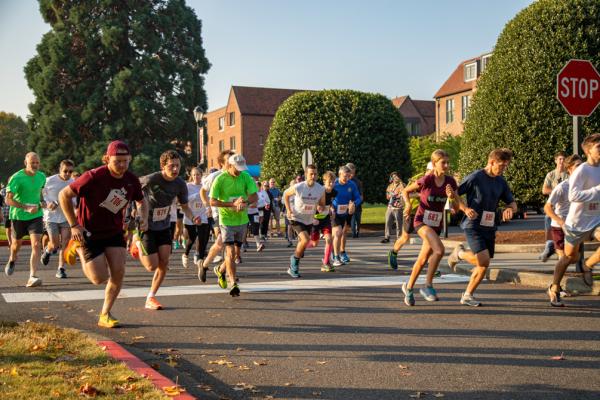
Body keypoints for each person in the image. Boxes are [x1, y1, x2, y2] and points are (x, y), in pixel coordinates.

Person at [59, 141, 147, 328]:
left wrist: (144, 217)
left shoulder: (131, 180)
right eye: (117, 161)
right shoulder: (93, 176)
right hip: (88, 231)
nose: (122, 165)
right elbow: (64, 195)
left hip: (114, 232)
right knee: (98, 278)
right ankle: (77, 247)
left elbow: (142, 200)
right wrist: (74, 226)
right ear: (107, 159)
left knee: (119, 272)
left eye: (126, 161)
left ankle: (105, 314)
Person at [447, 148, 517, 307]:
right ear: (491, 162)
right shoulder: (475, 177)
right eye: (501, 165)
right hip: (473, 224)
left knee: (483, 265)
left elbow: (512, 203)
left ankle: (467, 295)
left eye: (506, 166)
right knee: (484, 261)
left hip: (489, 226)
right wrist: (464, 209)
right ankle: (460, 253)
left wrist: (509, 209)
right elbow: (454, 195)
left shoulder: (501, 181)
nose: (503, 169)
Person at [138, 150, 200, 310]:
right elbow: (132, 190)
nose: (175, 169)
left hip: (164, 224)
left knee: (164, 262)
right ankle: (137, 244)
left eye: (177, 166)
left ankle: (151, 296)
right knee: (151, 266)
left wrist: (193, 218)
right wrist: (137, 213)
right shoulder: (151, 179)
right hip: (147, 225)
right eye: (171, 166)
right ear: (163, 166)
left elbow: (185, 207)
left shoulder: (180, 184)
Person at [547, 134, 600, 307]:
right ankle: (554, 287)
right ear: (588, 151)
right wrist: (596, 191)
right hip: (576, 223)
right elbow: (573, 195)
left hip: (595, 220)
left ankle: (588, 264)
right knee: (569, 257)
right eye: (598, 147)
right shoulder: (582, 170)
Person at [401, 150, 458, 306]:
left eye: (447, 162)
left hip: (436, 224)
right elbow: (405, 191)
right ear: (434, 164)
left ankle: (409, 287)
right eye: (443, 162)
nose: (446, 165)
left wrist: (452, 200)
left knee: (423, 259)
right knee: (439, 250)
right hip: (421, 221)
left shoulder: (451, 182)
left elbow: (457, 206)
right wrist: (407, 205)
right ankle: (428, 285)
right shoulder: (426, 180)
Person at [209, 154, 258, 296]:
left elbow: (254, 196)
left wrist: (245, 203)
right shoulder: (220, 179)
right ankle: (233, 283)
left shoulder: (245, 177)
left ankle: (220, 270)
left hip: (242, 220)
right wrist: (231, 204)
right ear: (229, 165)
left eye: (241, 168)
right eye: (237, 168)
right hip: (226, 220)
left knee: (236, 254)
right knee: (229, 252)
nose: (240, 171)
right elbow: (212, 201)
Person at [4, 152, 46, 287]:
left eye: (37, 163)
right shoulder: (17, 178)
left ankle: (32, 276)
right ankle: (12, 259)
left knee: (36, 244)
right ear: (25, 163)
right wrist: (25, 207)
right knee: (16, 246)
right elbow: (8, 200)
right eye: (32, 163)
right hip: (19, 216)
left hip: (36, 215)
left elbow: (40, 194)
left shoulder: (41, 176)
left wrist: (44, 202)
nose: (35, 165)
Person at [388, 162, 433, 270]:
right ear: (429, 170)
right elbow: (404, 192)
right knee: (405, 237)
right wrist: (419, 196)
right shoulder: (419, 179)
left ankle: (431, 265)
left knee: (430, 239)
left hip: (426, 213)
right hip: (412, 211)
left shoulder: (439, 180)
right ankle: (393, 252)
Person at [283, 164, 326, 278]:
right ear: (306, 174)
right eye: (311, 174)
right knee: (305, 239)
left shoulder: (320, 189)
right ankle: (294, 265)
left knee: (302, 244)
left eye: (315, 174)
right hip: (296, 218)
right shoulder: (299, 187)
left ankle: (294, 260)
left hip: (309, 220)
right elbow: (285, 195)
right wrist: (288, 210)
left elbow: (322, 204)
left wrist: (320, 208)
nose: (313, 176)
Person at [544, 155, 582, 268]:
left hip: (575, 226)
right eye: (577, 166)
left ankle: (554, 249)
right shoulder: (562, 187)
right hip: (559, 227)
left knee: (573, 257)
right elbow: (547, 208)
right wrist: (561, 222)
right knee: (564, 257)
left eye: (582, 165)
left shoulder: (583, 185)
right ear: (569, 169)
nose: (581, 168)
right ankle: (557, 283)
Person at [200, 150, 235, 275]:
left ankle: (222, 270)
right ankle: (204, 265)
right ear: (222, 163)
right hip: (218, 214)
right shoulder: (214, 177)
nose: (232, 163)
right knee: (221, 242)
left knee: (235, 248)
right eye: (229, 161)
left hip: (235, 214)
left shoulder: (239, 175)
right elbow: (203, 192)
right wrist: (207, 206)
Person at [41, 159, 75, 279]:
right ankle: (47, 251)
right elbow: (40, 195)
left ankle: (61, 268)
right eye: (65, 171)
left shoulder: (73, 182)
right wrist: (48, 203)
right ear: (60, 170)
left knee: (65, 243)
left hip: (66, 216)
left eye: (70, 171)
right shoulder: (49, 180)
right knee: (54, 244)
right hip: (51, 217)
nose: (67, 174)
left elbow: (74, 200)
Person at [182, 167, 211, 281]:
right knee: (191, 238)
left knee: (202, 238)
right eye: (194, 175)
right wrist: (195, 196)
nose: (196, 177)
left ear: (201, 175)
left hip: (203, 215)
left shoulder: (205, 186)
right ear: (191, 176)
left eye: (198, 174)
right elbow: (184, 200)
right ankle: (186, 254)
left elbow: (209, 199)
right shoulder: (188, 186)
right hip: (190, 216)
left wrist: (209, 208)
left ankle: (199, 258)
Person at [540, 151, 568, 261]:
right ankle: (549, 244)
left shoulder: (568, 175)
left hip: (565, 206)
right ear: (556, 160)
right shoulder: (551, 175)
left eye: (563, 159)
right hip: (553, 205)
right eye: (560, 159)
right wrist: (556, 191)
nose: (561, 161)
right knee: (548, 217)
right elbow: (544, 190)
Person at [331, 165, 362, 267]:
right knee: (338, 232)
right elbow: (325, 196)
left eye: (349, 176)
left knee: (343, 233)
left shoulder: (351, 184)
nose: (347, 178)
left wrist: (354, 204)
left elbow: (358, 197)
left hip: (347, 211)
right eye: (345, 176)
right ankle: (336, 257)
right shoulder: (334, 184)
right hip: (335, 212)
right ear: (339, 175)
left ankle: (341, 252)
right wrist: (330, 206)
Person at [309, 170, 337, 272]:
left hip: (325, 219)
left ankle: (326, 262)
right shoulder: (320, 191)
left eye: (333, 182)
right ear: (324, 181)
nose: (331, 184)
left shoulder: (334, 192)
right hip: (316, 219)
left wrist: (332, 209)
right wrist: (313, 216)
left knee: (329, 239)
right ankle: (302, 245)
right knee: (314, 244)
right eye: (329, 182)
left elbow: (330, 203)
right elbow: (312, 202)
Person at [381, 172, 405, 244]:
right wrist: (390, 195)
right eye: (394, 177)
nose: (395, 178)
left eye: (396, 176)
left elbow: (404, 194)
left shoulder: (402, 185)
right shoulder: (390, 186)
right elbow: (387, 196)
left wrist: (397, 195)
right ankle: (387, 237)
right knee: (388, 222)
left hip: (398, 207)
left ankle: (399, 238)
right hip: (390, 207)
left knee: (398, 223)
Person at [346, 163, 364, 238]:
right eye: (351, 173)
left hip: (357, 204)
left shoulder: (358, 182)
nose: (352, 175)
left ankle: (357, 231)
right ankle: (354, 233)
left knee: (358, 220)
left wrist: (357, 203)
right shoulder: (342, 181)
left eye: (353, 173)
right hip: (348, 205)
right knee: (352, 220)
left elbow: (361, 196)